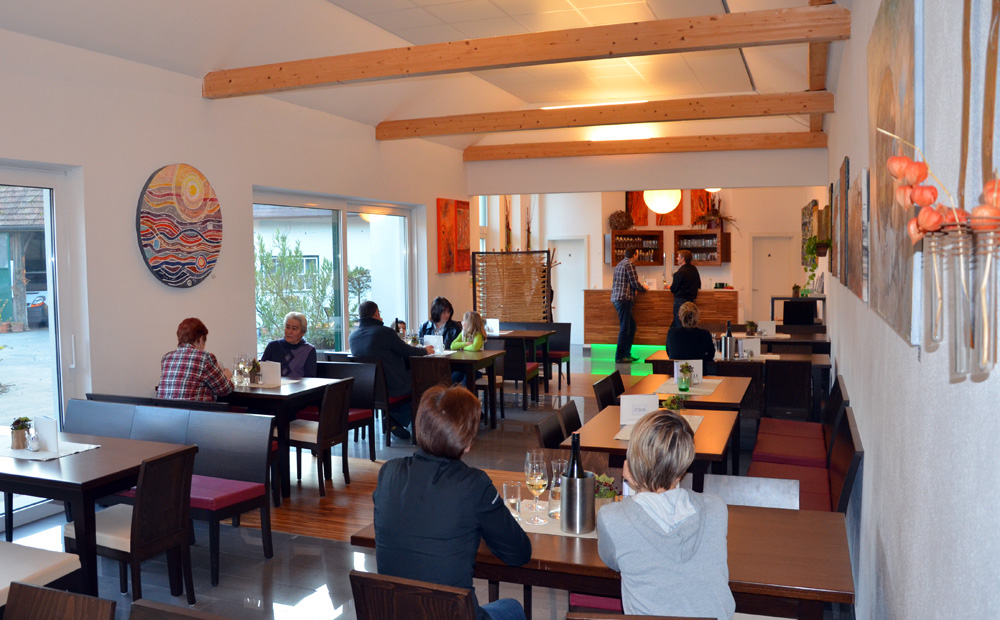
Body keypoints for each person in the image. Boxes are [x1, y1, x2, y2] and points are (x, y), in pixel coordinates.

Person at [373, 385, 532, 620]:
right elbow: (518, 553)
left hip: (397, 613)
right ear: (467, 442)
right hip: (453, 615)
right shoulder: (474, 484)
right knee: (513, 608)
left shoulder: (388, 473)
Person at [597, 410, 734, 620]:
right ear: (684, 465)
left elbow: (613, 561)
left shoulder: (612, 518)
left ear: (631, 463)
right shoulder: (716, 508)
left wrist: (638, 485)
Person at [350, 300, 434, 439]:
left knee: (411, 380)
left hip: (369, 390)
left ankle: (394, 417)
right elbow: (406, 351)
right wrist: (425, 350)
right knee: (424, 381)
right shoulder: (385, 332)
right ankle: (398, 419)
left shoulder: (352, 337)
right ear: (376, 314)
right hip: (393, 387)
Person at [159, 317, 233, 402]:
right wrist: (227, 377)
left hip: (165, 409)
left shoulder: (166, 358)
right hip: (194, 410)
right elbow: (224, 389)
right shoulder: (204, 358)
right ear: (201, 339)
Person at [611, 247, 648, 364]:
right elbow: (634, 282)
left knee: (631, 326)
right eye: (637, 253)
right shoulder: (629, 264)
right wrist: (644, 288)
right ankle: (620, 356)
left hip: (618, 298)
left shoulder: (620, 264)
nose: (638, 255)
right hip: (624, 299)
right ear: (634, 254)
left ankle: (626, 354)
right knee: (625, 328)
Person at [260, 311, 317, 379]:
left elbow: (310, 379)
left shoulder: (308, 350)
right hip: (273, 385)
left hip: (298, 386)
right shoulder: (273, 346)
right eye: (287, 327)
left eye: (294, 329)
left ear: (302, 332)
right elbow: (261, 372)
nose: (289, 332)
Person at [666, 302, 716, 368]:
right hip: (699, 372)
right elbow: (711, 355)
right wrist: (701, 359)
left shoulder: (671, 333)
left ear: (680, 316)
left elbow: (669, 353)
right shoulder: (705, 334)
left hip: (677, 372)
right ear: (697, 316)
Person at [450, 310, 487, 384]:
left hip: (477, 368)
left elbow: (475, 347)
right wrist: (466, 343)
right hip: (464, 366)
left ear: (470, 323)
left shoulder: (478, 335)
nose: (461, 322)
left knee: (466, 382)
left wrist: (464, 348)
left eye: (463, 320)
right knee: (452, 379)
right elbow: (452, 346)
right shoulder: (463, 333)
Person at [670, 250, 701, 327]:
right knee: (689, 324)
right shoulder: (694, 269)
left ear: (683, 259)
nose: (677, 258)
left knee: (679, 323)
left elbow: (673, 289)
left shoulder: (679, 273)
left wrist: (670, 287)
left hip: (680, 301)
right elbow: (698, 284)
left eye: (678, 257)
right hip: (692, 302)